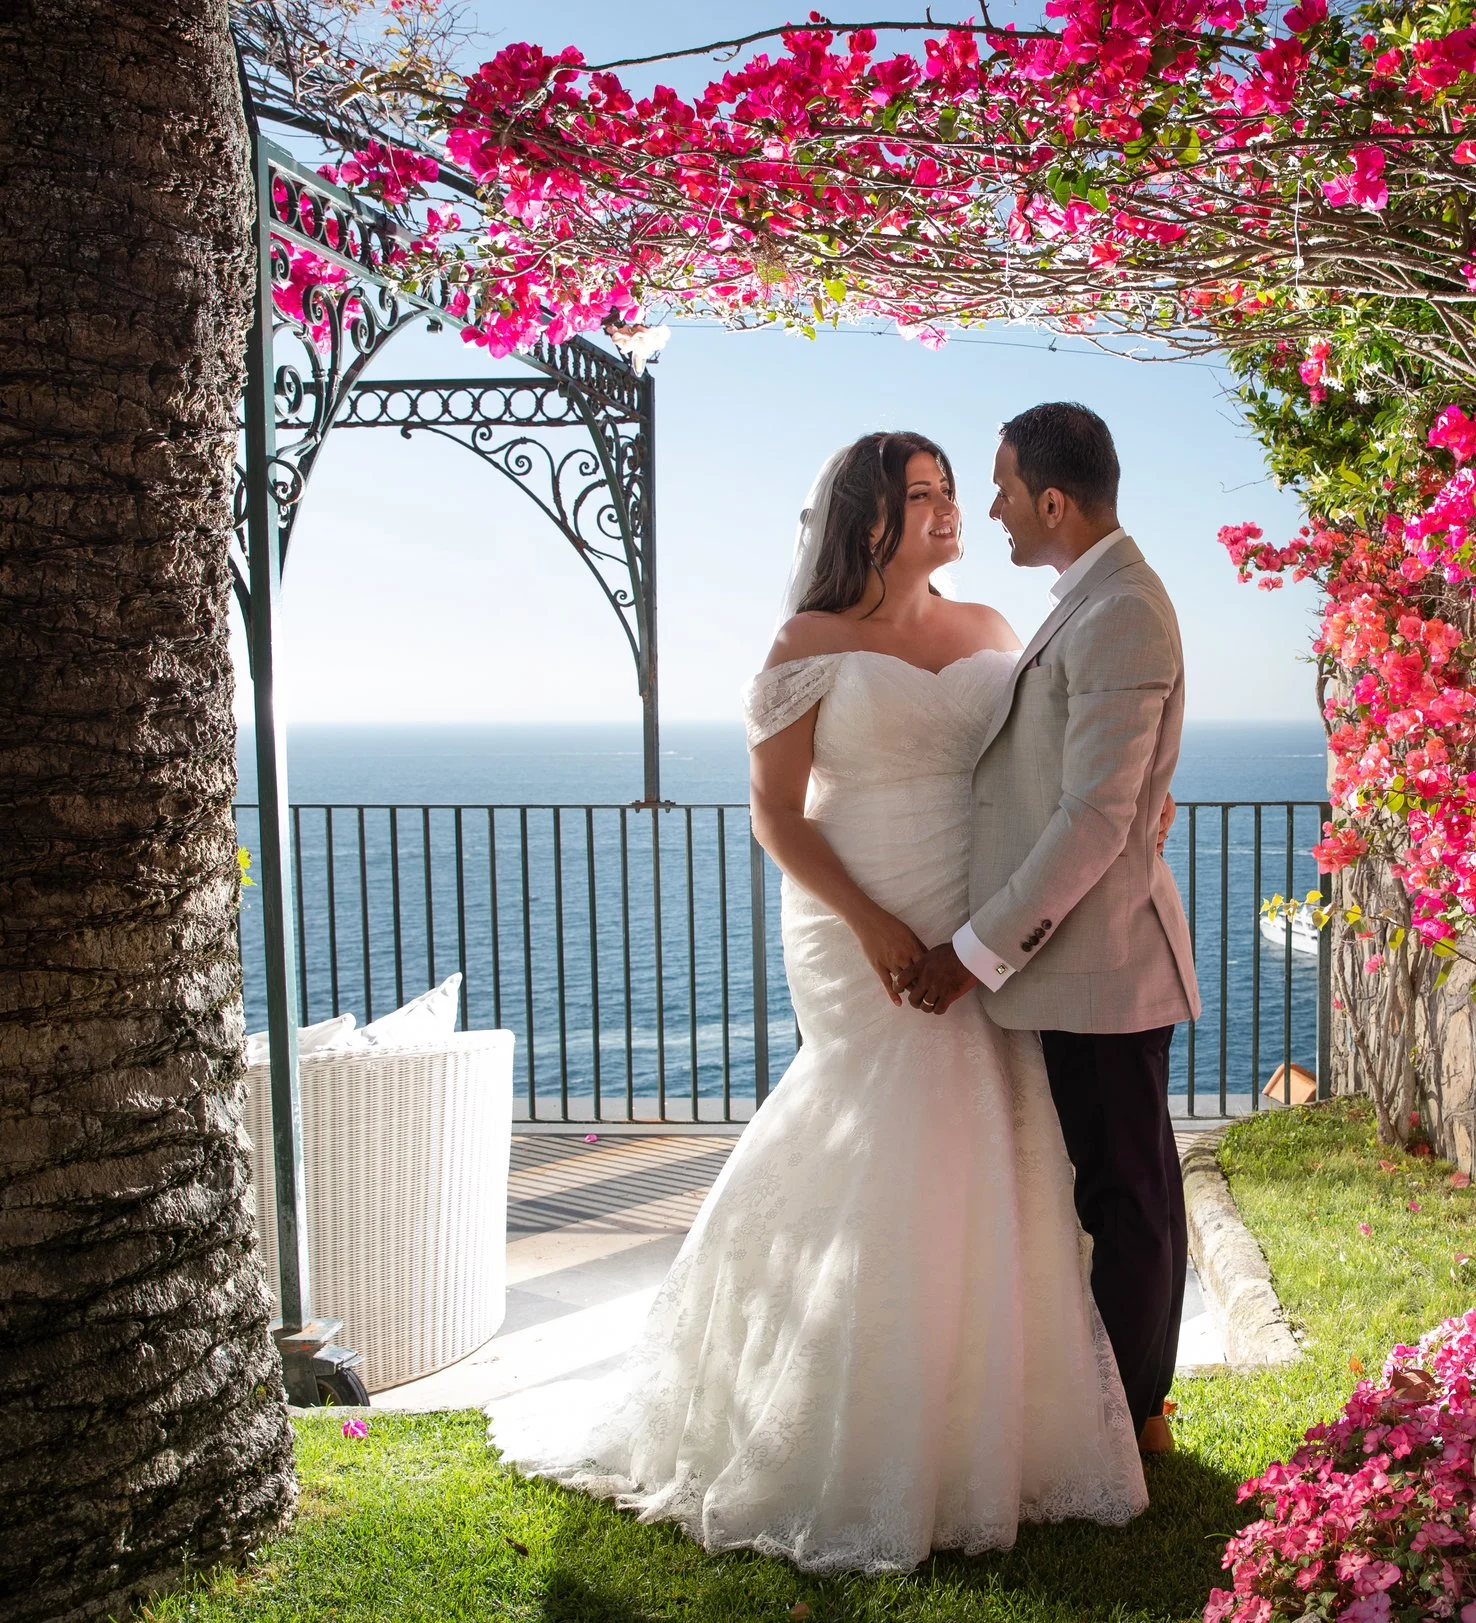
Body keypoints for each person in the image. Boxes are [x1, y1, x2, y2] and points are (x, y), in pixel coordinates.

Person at [487, 430, 1147, 1573]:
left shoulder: (996, 628)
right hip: (862, 915)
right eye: (922, 495)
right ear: (867, 518)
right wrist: (875, 924)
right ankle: (846, 1420)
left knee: (997, 1133)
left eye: (951, 491)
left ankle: (990, 1420)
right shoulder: (807, 643)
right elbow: (779, 815)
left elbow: (1056, 769)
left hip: (977, 911)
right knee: (884, 1131)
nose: (948, 510)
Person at [898, 401, 1201, 1459]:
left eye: (1003, 487)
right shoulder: (1097, 599)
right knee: (1114, 1186)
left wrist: (973, 952)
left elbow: (1091, 817)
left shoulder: (1121, 609)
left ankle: (1138, 1415)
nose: (991, 507)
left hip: (1102, 965)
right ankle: (1122, 1407)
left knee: (1128, 1196)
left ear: (1055, 501)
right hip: (1078, 963)